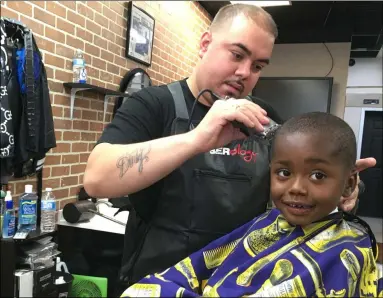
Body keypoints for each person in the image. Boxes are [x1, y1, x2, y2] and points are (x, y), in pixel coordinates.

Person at [83, 3, 376, 291]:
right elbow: (97, 179)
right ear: (205, 44)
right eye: (237, 55)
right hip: (160, 281)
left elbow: (297, 181)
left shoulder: (264, 119)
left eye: (258, 66)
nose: (245, 72)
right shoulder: (153, 105)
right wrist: (196, 140)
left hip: (236, 283)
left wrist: (341, 187)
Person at [121, 112, 383, 298]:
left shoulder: (343, 252)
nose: (296, 188)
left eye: (318, 175)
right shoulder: (269, 222)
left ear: (349, 185)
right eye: (283, 173)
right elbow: (194, 268)